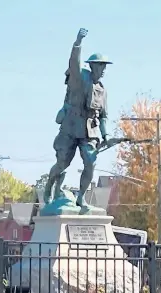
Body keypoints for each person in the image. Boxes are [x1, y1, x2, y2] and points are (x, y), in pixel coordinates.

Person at [44, 28, 113, 207]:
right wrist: (78, 43)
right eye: (100, 65)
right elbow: (74, 63)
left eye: (105, 66)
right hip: (70, 126)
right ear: (92, 66)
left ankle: (81, 197)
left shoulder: (102, 90)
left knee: (90, 163)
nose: (103, 69)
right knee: (62, 164)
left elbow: (103, 116)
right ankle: (49, 187)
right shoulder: (80, 77)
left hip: (89, 131)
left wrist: (106, 136)